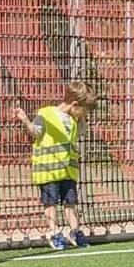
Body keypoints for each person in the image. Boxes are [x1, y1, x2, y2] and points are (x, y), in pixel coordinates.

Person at [13, 81, 98, 250]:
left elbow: (78, 133)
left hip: (68, 171)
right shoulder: (46, 113)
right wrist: (25, 120)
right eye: (84, 110)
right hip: (48, 170)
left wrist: (81, 120)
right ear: (75, 105)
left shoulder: (76, 121)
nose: (85, 114)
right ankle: (54, 232)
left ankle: (75, 231)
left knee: (70, 202)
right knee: (50, 202)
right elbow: (35, 132)